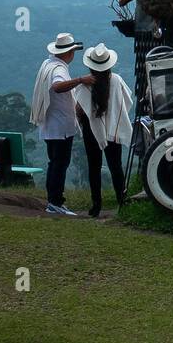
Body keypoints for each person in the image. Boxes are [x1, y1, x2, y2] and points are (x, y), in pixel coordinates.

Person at [30, 32, 88, 216]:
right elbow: (57, 86)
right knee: (60, 164)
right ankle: (55, 202)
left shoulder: (48, 64)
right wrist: (80, 80)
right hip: (61, 126)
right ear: (69, 53)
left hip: (50, 124)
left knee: (54, 163)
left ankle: (53, 200)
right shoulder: (59, 70)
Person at [74, 43, 134, 217]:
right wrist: (114, 117)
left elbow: (79, 109)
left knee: (94, 167)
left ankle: (96, 206)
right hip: (113, 130)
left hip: (91, 131)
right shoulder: (116, 80)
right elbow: (127, 102)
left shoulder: (85, 85)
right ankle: (122, 202)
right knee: (116, 166)